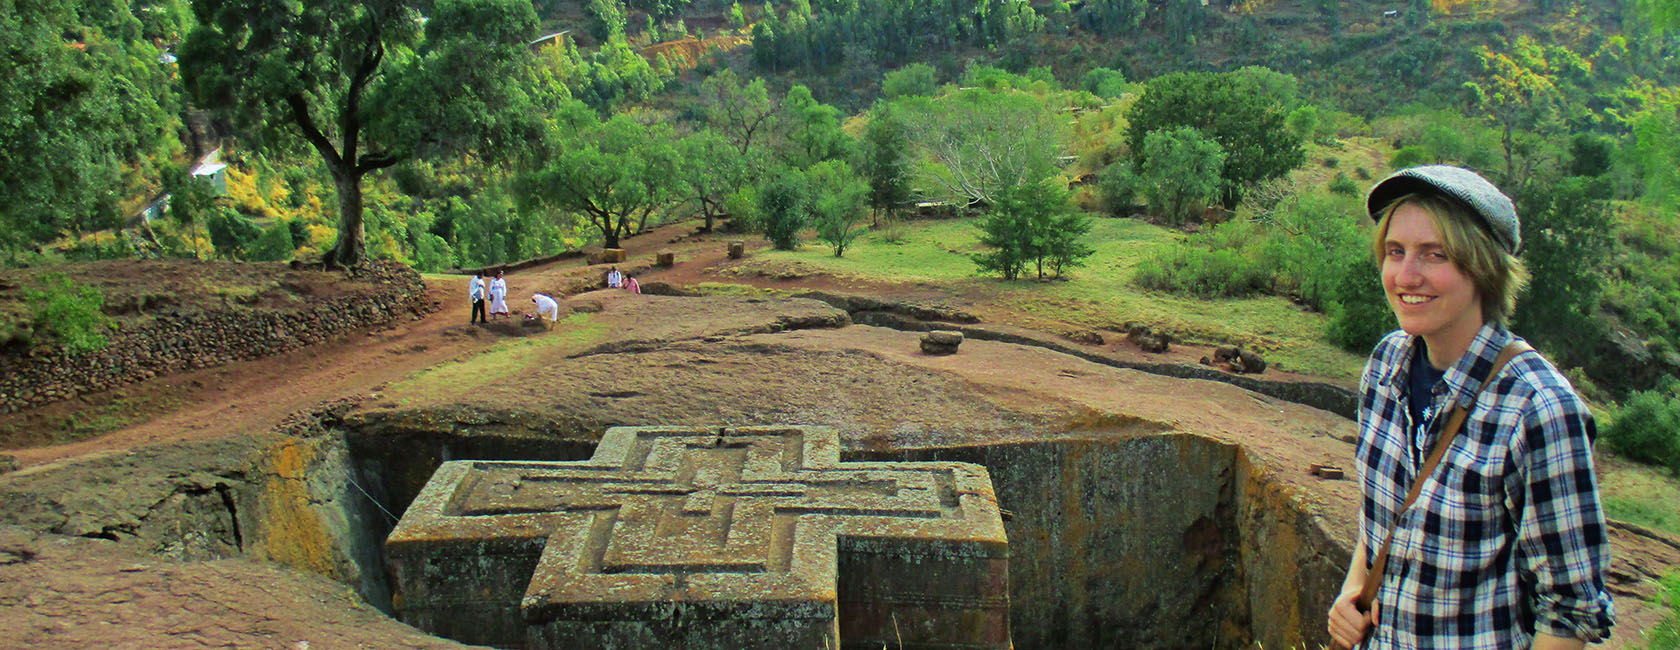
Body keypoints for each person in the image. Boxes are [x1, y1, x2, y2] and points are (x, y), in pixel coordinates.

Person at [1326, 166, 1614, 650]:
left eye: (1435, 255)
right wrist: (1356, 585)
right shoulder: (1385, 365)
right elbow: (1385, 511)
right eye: (1395, 252)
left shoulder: (1538, 409)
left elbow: (1569, 612)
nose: (1406, 275)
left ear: (1483, 268)